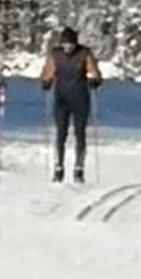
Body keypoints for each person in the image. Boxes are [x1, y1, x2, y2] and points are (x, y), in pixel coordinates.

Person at [40, 27, 102, 183]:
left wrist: (94, 80)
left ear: (75, 43)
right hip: (61, 99)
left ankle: (79, 168)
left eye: (71, 44)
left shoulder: (84, 54)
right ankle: (59, 167)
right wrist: (46, 81)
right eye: (65, 44)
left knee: (80, 134)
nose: (68, 47)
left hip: (80, 98)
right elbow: (48, 71)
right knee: (61, 133)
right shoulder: (56, 54)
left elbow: (94, 72)